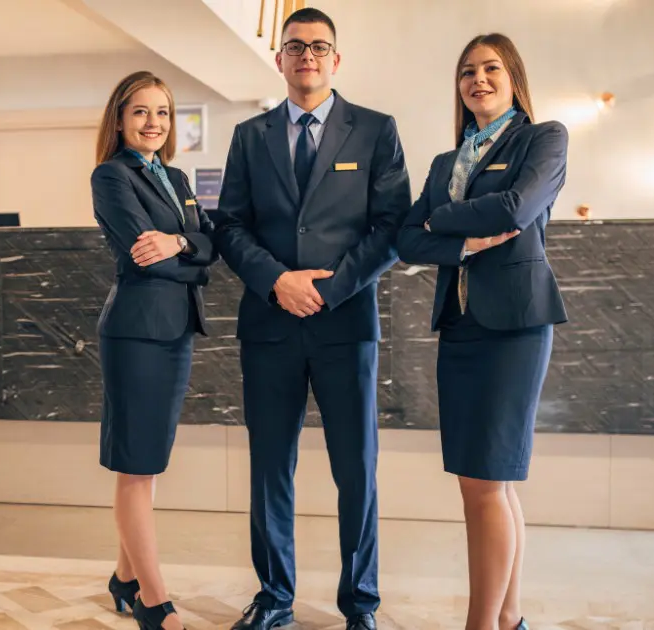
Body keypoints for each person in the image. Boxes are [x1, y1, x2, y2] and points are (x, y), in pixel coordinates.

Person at [214, 8, 408, 630]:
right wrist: (275, 280)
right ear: (280, 59)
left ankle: (361, 604)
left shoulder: (376, 130)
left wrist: (329, 289)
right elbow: (230, 226)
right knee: (271, 466)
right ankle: (274, 599)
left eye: (319, 47)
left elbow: (391, 228)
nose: (307, 56)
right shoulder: (251, 135)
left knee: (356, 469)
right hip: (269, 326)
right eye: (295, 46)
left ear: (336, 59)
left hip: (345, 325)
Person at [395, 33, 569, 630]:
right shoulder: (449, 162)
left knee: (487, 483)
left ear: (514, 78)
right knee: (484, 483)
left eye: (491, 68)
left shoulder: (543, 139)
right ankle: (508, 618)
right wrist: (461, 237)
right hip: (461, 327)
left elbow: (517, 208)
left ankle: (480, 624)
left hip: (515, 328)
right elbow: (405, 239)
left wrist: (440, 219)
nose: (478, 79)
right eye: (467, 71)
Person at [90, 70, 218, 630]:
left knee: (149, 461)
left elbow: (209, 244)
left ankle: (124, 576)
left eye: (162, 112)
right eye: (141, 112)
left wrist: (182, 242)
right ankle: (152, 597)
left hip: (175, 330)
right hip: (137, 333)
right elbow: (148, 257)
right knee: (136, 468)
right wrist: (184, 253)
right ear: (120, 119)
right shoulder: (111, 177)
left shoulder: (177, 176)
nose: (153, 123)